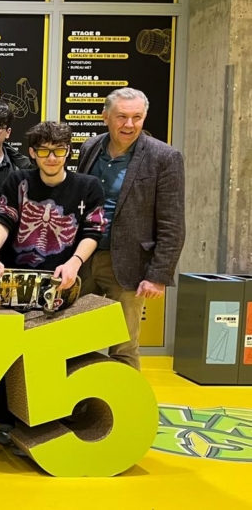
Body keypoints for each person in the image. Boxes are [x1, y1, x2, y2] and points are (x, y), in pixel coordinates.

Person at [0, 121, 106, 444]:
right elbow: (4, 218)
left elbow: (93, 231)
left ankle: (46, 426)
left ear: (68, 151)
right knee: (9, 355)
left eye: (59, 150)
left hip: (61, 283)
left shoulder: (88, 186)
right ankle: (5, 421)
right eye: (45, 151)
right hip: (16, 283)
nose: (52, 157)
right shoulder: (18, 180)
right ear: (32, 153)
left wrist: (75, 262)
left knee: (50, 357)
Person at [77, 87, 186, 370]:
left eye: (137, 117)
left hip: (130, 266)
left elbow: (172, 222)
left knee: (123, 347)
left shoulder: (165, 157)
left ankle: (126, 399)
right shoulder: (90, 147)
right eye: (121, 117)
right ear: (105, 117)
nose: (129, 124)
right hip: (84, 260)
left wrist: (158, 275)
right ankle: (82, 399)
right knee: (74, 340)